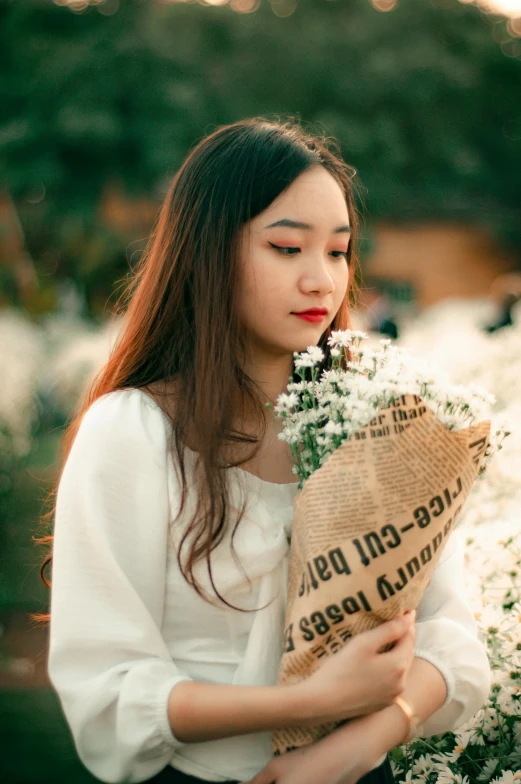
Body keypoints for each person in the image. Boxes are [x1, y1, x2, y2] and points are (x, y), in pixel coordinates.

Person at [44, 118, 491, 784]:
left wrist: (356, 743)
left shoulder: (377, 423)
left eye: (337, 252)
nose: (321, 281)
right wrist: (307, 702)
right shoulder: (132, 431)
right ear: (207, 252)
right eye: (286, 248)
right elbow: (107, 689)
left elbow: (452, 643)